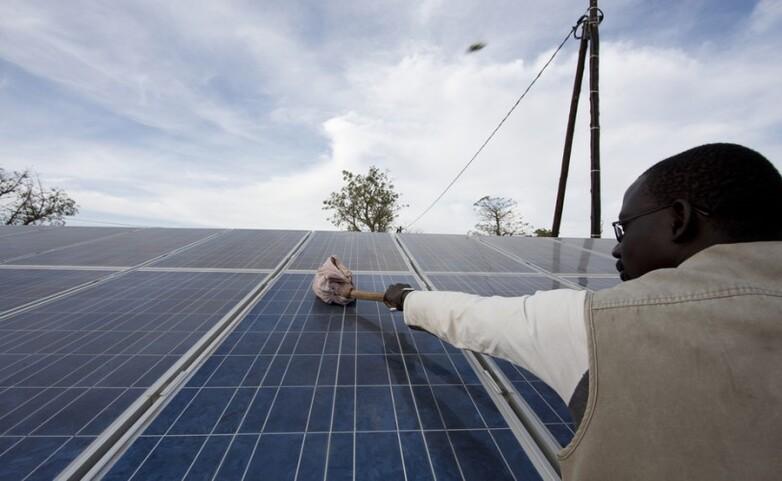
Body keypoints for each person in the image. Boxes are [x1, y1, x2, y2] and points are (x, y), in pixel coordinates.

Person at [383, 143, 782, 481]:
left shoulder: (592, 323)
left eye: (624, 227)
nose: (614, 249)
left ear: (679, 219)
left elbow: (468, 316)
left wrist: (405, 297)